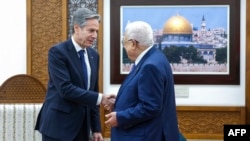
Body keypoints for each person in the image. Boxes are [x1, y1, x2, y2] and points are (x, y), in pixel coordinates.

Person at [35, 7, 113, 141]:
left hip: (82, 128)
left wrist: (96, 128)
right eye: (91, 30)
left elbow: (93, 90)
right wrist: (101, 98)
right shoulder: (57, 52)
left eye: (97, 31)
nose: (95, 36)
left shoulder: (94, 55)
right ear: (77, 28)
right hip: (58, 127)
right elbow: (66, 89)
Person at [105, 21, 180, 141]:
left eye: (124, 43)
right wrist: (119, 101)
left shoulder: (150, 66)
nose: (124, 47)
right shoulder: (155, 57)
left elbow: (150, 107)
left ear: (133, 43)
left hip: (144, 136)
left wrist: (120, 117)